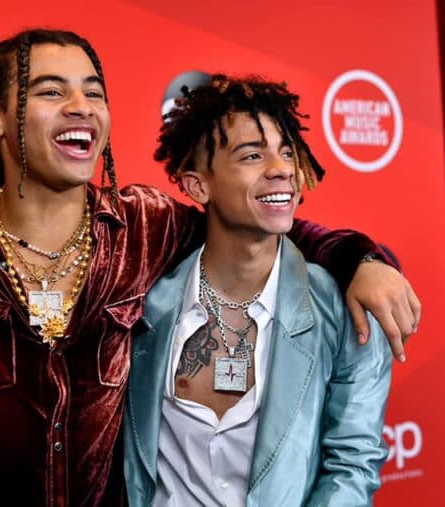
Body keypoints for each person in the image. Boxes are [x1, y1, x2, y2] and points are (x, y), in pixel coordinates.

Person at [0, 28, 417, 506]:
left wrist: (362, 259)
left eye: (94, 92)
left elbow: (256, 224)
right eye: (52, 91)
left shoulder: (146, 227)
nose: (82, 107)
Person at [123, 75, 391, 507]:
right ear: (198, 186)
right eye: (253, 155)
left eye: (287, 152)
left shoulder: (345, 308)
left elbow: (353, 465)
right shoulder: (142, 305)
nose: (282, 169)